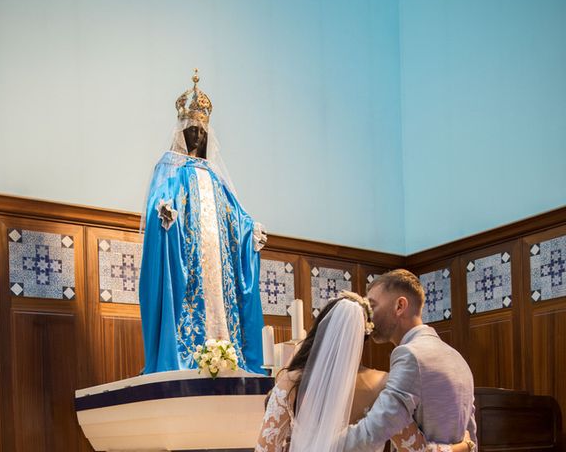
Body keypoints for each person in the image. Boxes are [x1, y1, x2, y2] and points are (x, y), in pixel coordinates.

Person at [138, 70, 267, 374]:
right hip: (189, 268)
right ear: (181, 132)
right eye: (191, 129)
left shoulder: (216, 178)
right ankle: (188, 353)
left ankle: (227, 351)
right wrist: (165, 214)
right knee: (186, 308)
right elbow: (159, 203)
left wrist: (252, 232)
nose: (197, 135)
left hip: (220, 276)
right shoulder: (170, 169)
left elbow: (236, 218)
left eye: (201, 130)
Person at [255, 291, 474, 452]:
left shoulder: (290, 381)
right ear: (364, 336)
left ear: (320, 330)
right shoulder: (381, 383)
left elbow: (266, 448)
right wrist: (462, 446)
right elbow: (414, 449)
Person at [345, 270, 477, 452]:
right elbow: (471, 438)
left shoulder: (409, 355)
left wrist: (321, 443)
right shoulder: (457, 358)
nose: (369, 317)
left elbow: (373, 431)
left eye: (373, 306)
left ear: (400, 306)